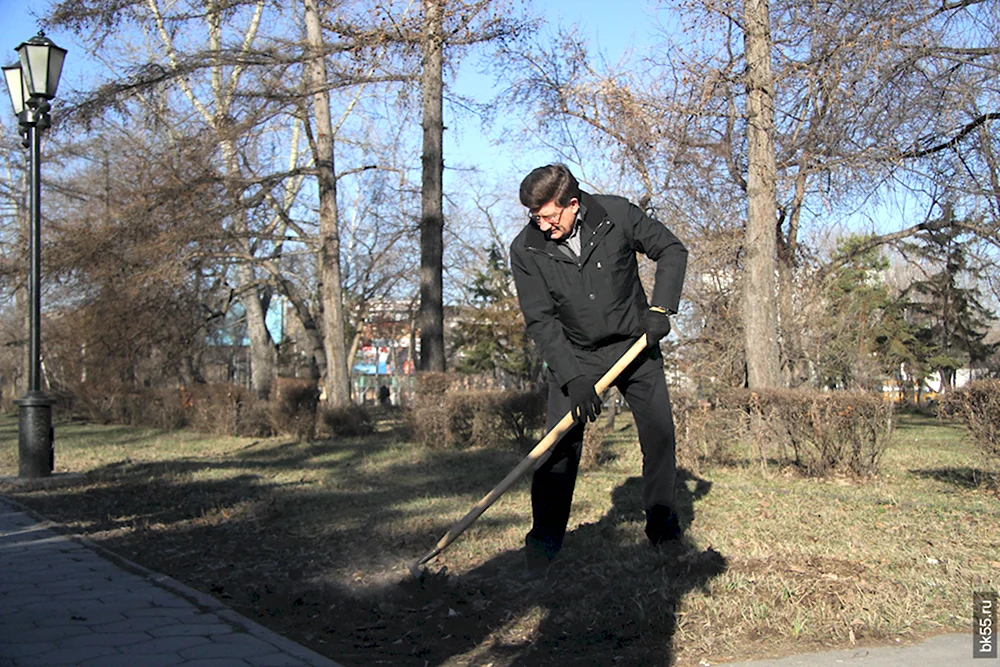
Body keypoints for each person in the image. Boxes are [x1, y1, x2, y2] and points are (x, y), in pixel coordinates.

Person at [509, 164, 688, 578]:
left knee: (659, 437)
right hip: (576, 354)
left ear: (573, 203)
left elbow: (671, 250)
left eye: (549, 215)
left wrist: (661, 308)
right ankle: (543, 547)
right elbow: (541, 320)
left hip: (634, 346)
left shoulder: (617, 216)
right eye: (534, 216)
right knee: (558, 449)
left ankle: (664, 533)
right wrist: (572, 376)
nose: (542, 224)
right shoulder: (527, 249)